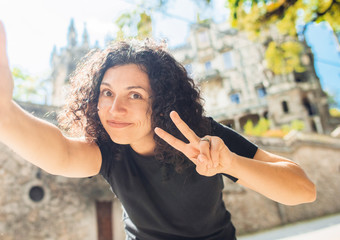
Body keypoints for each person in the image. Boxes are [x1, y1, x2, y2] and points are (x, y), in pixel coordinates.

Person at [0, 21, 316, 240]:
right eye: (107, 93)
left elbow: (304, 190)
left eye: (134, 95)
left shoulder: (199, 135)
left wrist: (230, 163)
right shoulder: (109, 151)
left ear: (162, 101)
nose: (114, 108)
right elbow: (62, 152)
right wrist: (4, 108)